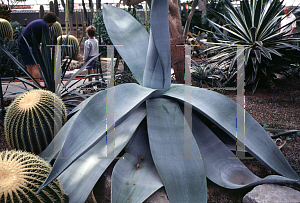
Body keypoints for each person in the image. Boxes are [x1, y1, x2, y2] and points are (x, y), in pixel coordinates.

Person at [18, 12, 56, 87]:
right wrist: (41, 55)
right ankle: (37, 85)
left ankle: (34, 83)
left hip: (22, 42)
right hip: (29, 45)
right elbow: (44, 43)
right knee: (36, 65)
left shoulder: (39, 22)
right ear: (52, 22)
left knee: (29, 64)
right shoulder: (45, 26)